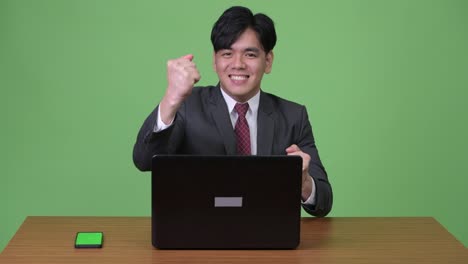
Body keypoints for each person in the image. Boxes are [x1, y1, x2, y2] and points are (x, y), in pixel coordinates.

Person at [133, 6, 332, 217]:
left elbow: (324, 202)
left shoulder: (293, 116)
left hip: (267, 237)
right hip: (198, 232)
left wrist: (304, 183)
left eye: (250, 54)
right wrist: (171, 98)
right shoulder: (186, 105)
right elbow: (144, 160)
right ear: (215, 60)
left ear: (268, 61)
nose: (238, 64)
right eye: (227, 53)